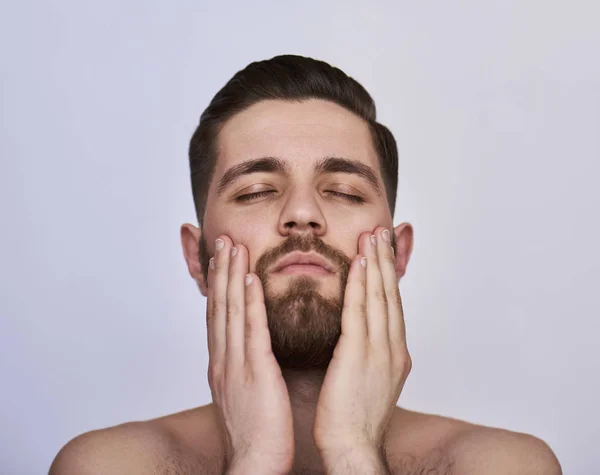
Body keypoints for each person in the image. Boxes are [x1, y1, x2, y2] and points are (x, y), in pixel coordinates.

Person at [49, 55, 562, 475]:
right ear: (198, 258)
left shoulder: (501, 466)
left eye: (342, 191)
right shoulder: (109, 466)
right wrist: (255, 461)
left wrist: (353, 450)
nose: (302, 215)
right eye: (255, 191)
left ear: (397, 253)